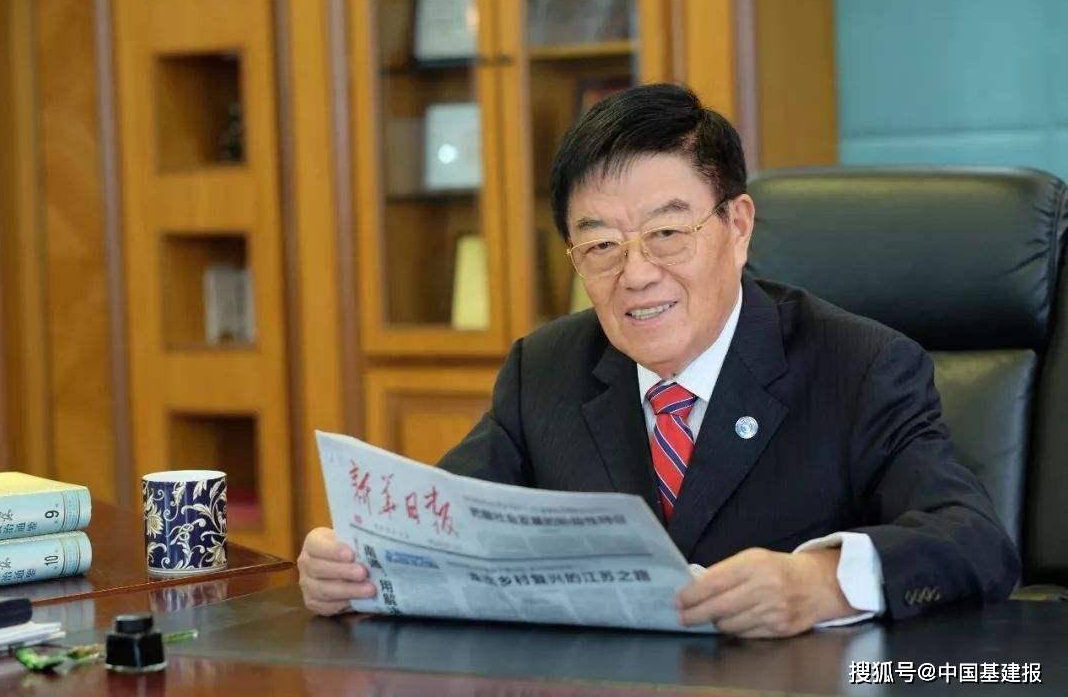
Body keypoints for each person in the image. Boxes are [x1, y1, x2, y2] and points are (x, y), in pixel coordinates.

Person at [298, 83, 1020, 637]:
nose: (637, 274)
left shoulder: (860, 366)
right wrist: (357, 561)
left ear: (737, 226)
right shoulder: (545, 370)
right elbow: (446, 523)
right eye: (601, 245)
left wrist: (820, 584)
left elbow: (975, 539)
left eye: (667, 233)